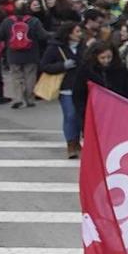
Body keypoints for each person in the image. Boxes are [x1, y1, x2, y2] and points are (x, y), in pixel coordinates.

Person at [42, 24, 84, 157]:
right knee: (70, 115)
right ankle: (71, 144)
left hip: (83, 87)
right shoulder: (56, 47)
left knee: (79, 117)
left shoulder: (84, 46)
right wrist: (62, 66)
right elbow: (44, 65)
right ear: (69, 33)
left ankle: (77, 141)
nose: (80, 34)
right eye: (77, 31)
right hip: (66, 87)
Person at [72, 40, 128, 110]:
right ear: (95, 57)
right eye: (102, 58)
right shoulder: (86, 70)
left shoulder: (121, 69)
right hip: (94, 110)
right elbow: (78, 94)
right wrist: (84, 112)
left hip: (117, 110)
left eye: (109, 57)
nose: (106, 60)